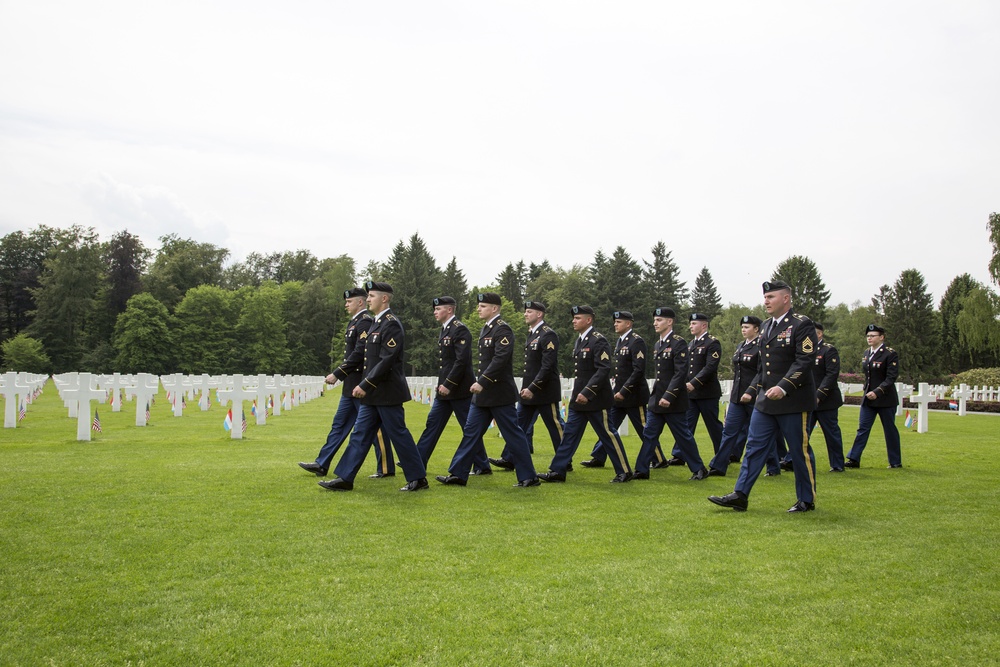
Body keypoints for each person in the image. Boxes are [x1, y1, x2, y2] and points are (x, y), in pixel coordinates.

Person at [708, 281, 819, 512]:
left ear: (786, 298)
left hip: (793, 400)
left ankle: (806, 500)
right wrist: (756, 390)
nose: (766, 301)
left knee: (798, 451)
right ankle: (740, 494)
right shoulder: (767, 326)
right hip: (766, 400)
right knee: (754, 447)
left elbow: (804, 360)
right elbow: (763, 367)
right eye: (765, 297)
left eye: (771, 297)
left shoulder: (801, 324)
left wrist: (784, 386)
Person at [319, 281, 429, 492]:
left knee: (399, 434)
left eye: (371, 296)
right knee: (359, 434)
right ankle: (344, 477)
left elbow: (386, 360)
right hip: (372, 393)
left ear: (384, 298)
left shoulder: (391, 324)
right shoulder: (376, 324)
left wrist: (365, 384)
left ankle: (418, 478)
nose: (367, 300)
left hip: (387, 392)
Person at [436, 293, 540, 487]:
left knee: (513, 435)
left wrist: (481, 381)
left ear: (494, 309)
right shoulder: (487, 329)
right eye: (479, 306)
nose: (478, 309)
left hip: (499, 394)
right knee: (471, 433)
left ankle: (529, 476)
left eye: (483, 306)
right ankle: (458, 474)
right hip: (482, 396)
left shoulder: (503, 330)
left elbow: (500, 359)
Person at [298, 287, 393, 478]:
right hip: (350, 385)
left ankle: (385, 468)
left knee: (375, 431)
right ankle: (322, 463)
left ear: (359, 302)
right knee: (339, 425)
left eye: (349, 302)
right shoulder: (354, 323)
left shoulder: (365, 322)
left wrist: (338, 373)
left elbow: (359, 353)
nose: (346, 304)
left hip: (361, 385)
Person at [539, 305, 633, 483]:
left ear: (588, 320)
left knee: (608, 435)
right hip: (579, 399)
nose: (573, 321)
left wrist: (588, 392)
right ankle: (557, 471)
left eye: (577, 318)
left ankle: (624, 471)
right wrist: (580, 394)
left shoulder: (598, 340)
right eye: (573, 318)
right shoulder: (580, 340)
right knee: (569, 436)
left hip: (596, 399)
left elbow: (603, 368)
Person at [414, 296, 492, 474]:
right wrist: (442, 384)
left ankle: (482, 464)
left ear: (449, 310)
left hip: (459, 389)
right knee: (432, 424)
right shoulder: (445, 329)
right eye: (434, 309)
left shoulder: (459, 330)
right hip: (445, 390)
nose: (435, 312)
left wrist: (448, 383)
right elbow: (446, 363)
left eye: (438, 309)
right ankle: (417, 460)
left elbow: (461, 361)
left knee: (469, 429)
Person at [633, 307, 708, 480]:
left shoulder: (678, 343)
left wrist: (668, 395)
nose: (655, 323)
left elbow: (680, 372)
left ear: (670, 321)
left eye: (659, 320)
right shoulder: (658, 344)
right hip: (657, 399)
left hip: (673, 400)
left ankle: (699, 469)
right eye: (654, 320)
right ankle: (642, 470)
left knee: (683, 436)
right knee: (649, 435)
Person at [581, 310, 660, 468]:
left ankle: (658, 458)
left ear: (628, 324)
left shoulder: (636, 342)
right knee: (609, 428)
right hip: (618, 395)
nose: (615, 324)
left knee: (643, 429)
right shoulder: (620, 341)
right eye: (615, 322)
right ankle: (599, 455)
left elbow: (638, 370)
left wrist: (624, 391)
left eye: (619, 322)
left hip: (633, 395)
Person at [492, 300, 564, 470]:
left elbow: (547, 366)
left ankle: (564, 460)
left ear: (539, 314)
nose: (525, 314)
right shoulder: (533, 333)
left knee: (555, 426)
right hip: (529, 391)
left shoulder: (548, 334)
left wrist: (533, 387)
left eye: (529, 311)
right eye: (526, 311)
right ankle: (509, 458)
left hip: (544, 391)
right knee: (518, 426)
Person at [707, 315, 762, 476]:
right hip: (737, 397)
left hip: (753, 397)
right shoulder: (741, 346)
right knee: (729, 431)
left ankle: (773, 465)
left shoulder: (761, 346)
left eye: (747, 327)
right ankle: (718, 466)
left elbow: (761, 372)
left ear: (756, 329)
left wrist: (751, 391)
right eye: (742, 327)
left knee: (758, 432)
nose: (743, 330)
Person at [845, 324, 902, 469]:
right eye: (868, 336)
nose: (869, 338)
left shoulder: (889, 354)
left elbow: (890, 378)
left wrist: (877, 392)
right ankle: (854, 458)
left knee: (889, 431)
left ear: (881, 337)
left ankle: (895, 461)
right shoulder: (866, 353)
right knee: (862, 429)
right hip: (868, 399)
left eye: (873, 336)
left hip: (885, 399)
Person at [684, 312, 724, 455]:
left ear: (704, 325)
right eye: (690, 323)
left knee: (713, 426)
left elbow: (710, 367)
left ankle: (721, 453)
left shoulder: (712, 343)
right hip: (691, 393)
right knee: (687, 425)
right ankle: (680, 454)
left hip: (707, 393)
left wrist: (693, 383)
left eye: (694, 323)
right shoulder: (691, 344)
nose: (691, 326)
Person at [810, 323, 846, 472]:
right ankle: (790, 460)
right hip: (807, 400)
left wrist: (819, 395)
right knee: (801, 433)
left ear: (819, 334)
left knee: (831, 434)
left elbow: (831, 375)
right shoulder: (804, 351)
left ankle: (837, 464)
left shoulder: (828, 350)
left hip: (826, 401)